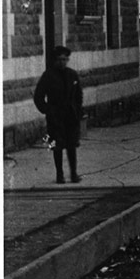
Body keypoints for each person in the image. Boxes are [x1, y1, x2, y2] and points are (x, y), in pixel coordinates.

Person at [33, 45, 84, 184]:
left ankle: (74, 174)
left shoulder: (72, 74)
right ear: (55, 60)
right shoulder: (48, 75)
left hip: (71, 116)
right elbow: (38, 96)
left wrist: (78, 110)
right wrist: (47, 110)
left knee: (72, 145)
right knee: (57, 146)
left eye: (65, 59)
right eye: (60, 59)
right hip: (55, 117)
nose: (63, 62)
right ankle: (59, 175)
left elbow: (78, 95)